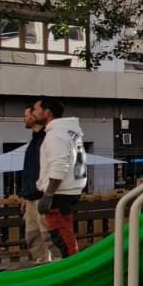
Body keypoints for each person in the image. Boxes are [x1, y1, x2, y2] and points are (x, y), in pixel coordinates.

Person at [34, 97, 88, 258]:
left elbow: (59, 166)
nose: (33, 113)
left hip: (59, 192)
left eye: (36, 110)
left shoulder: (55, 135)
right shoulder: (71, 132)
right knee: (65, 235)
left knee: (61, 238)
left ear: (47, 113)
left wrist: (48, 194)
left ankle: (73, 267)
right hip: (71, 189)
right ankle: (72, 262)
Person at [19, 105, 51, 263]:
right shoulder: (34, 141)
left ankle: (53, 265)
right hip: (31, 197)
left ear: (35, 116)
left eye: (27, 115)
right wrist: (25, 196)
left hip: (43, 196)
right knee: (33, 236)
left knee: (48, 236)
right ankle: (40, 262)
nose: (24, 119)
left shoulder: (47, 139)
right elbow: (30, 170)